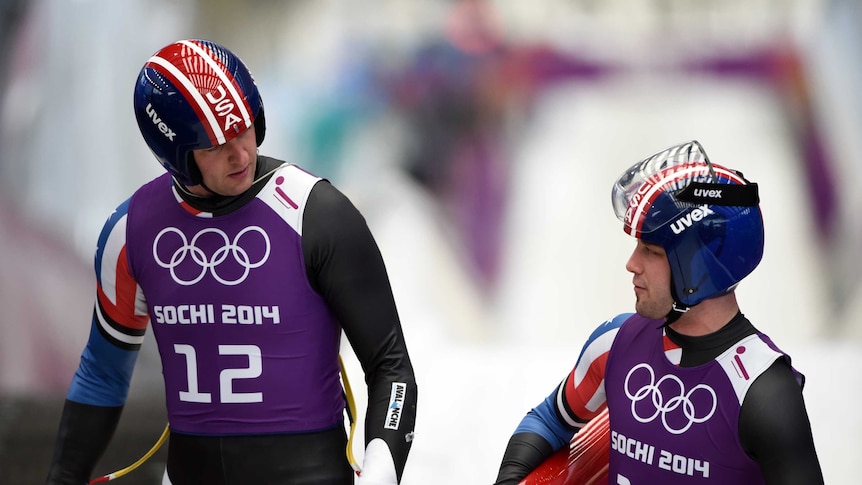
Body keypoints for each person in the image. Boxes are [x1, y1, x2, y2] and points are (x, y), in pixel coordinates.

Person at [45, 39, 417, 485]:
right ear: (175, 153)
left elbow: (391, 367)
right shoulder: (131, 231)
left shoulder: (316, 213)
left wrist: (380, 473)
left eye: (244, 128)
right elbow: (102, 373)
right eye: (215, 145)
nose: (241, 153)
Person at [494, 140, 823, 484]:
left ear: (700, 268)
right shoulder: (614, 343)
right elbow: (549, 421)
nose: (631, 264)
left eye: (650, 251)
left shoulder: (764, 392)